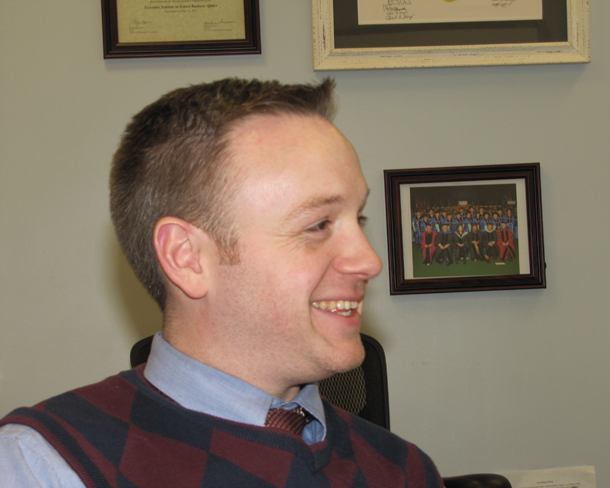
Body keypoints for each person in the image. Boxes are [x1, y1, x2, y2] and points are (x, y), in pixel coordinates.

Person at [0, 79, 443, 487]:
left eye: (358, 219)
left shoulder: (402, 470)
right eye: (318, 225)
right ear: (187, 257)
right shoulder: (45, 465)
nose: (369, 261)